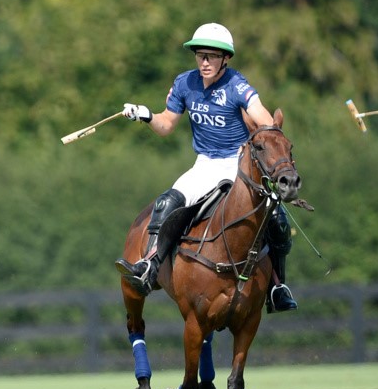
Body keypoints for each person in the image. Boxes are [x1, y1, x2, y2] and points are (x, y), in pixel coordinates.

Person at [115, 23, 297, 314]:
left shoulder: (238, 86)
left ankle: (277, 287)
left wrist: (269, 142)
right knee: (166, 202)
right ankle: (149, 266)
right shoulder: (185, 83)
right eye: (200, 55)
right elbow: (166, 126)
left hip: (236, 164)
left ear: (225, 58)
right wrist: (146, 115)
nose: (205, 62)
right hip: (205, 164)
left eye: (212, 56)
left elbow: (264, 120)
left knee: (277, 218)